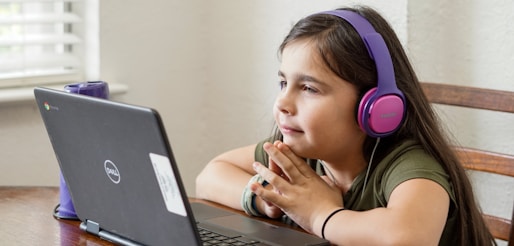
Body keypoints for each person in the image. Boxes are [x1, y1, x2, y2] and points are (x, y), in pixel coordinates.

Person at [196, 5, 495, 246]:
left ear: (376, 107)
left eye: (309, 89)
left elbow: (407, 238)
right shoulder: (298, 152)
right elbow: (210, 176)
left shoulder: (408, 166)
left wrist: (320, 214)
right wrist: (266, 201)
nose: (282, 103)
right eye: (284, 82)